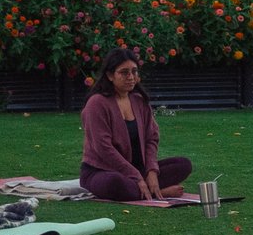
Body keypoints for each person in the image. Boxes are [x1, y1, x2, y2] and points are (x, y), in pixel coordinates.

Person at [79, 48, 193, 203]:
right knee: (116, 183)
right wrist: (137, 176)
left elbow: (151, 138)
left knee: (183, 164)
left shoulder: (139, 101)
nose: (131, 77)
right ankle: (157, 192)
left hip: (139, 170)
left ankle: (145, 187)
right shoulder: (97, 103)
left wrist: (151, 171)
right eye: (124, 72)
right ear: (110, 75)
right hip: (103, 171)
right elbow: (103, 148)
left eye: (134, 71)